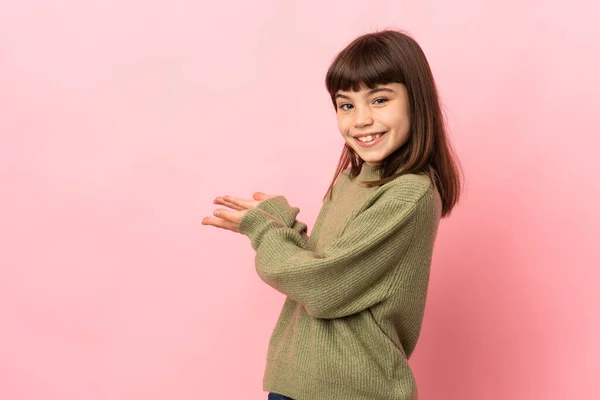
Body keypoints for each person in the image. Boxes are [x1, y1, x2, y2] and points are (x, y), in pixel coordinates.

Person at [202, 29, 462, 400]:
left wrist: (264, 230)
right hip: (299, 380)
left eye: (380, 99)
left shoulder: (409, 195)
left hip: (347, 391)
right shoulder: (353, 179)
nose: (361, 119)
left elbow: (322, 289)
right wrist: (279, 222)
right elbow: (327, 267)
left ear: (416, 102)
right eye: (346, 105)